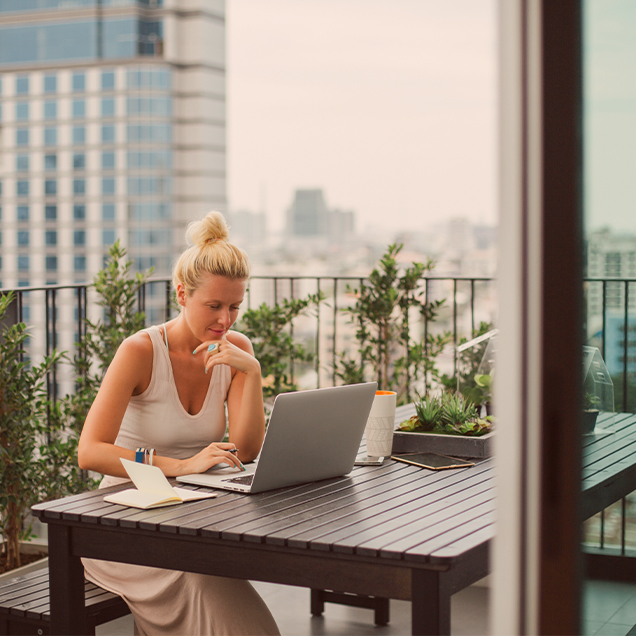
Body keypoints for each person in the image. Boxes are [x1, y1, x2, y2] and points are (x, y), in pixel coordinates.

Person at [78, 211, 280, 636]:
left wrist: (253, 373)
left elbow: (246, 449)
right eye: (214, 306)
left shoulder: (234, 350)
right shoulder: (140, 351)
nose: (225, 320)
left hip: (193, 515)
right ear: (182, 294)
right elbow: (90, 451)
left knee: (215, 581)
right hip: (124, 519)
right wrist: (182, 465)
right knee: (216, 598)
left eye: (235, 307)